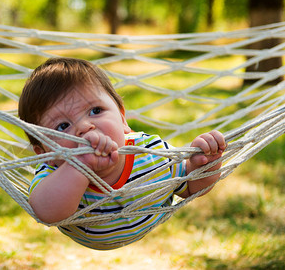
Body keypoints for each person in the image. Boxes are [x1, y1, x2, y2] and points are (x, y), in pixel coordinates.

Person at [18, 57, 226, 250]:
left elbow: (191, 187)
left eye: (96, 111)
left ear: (122, 118)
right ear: (43, 152)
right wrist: (79, 165)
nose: (84, 127)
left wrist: (206, 164)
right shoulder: (51, 176)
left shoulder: (151, 152)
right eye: (63, 126)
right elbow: (47, 213)